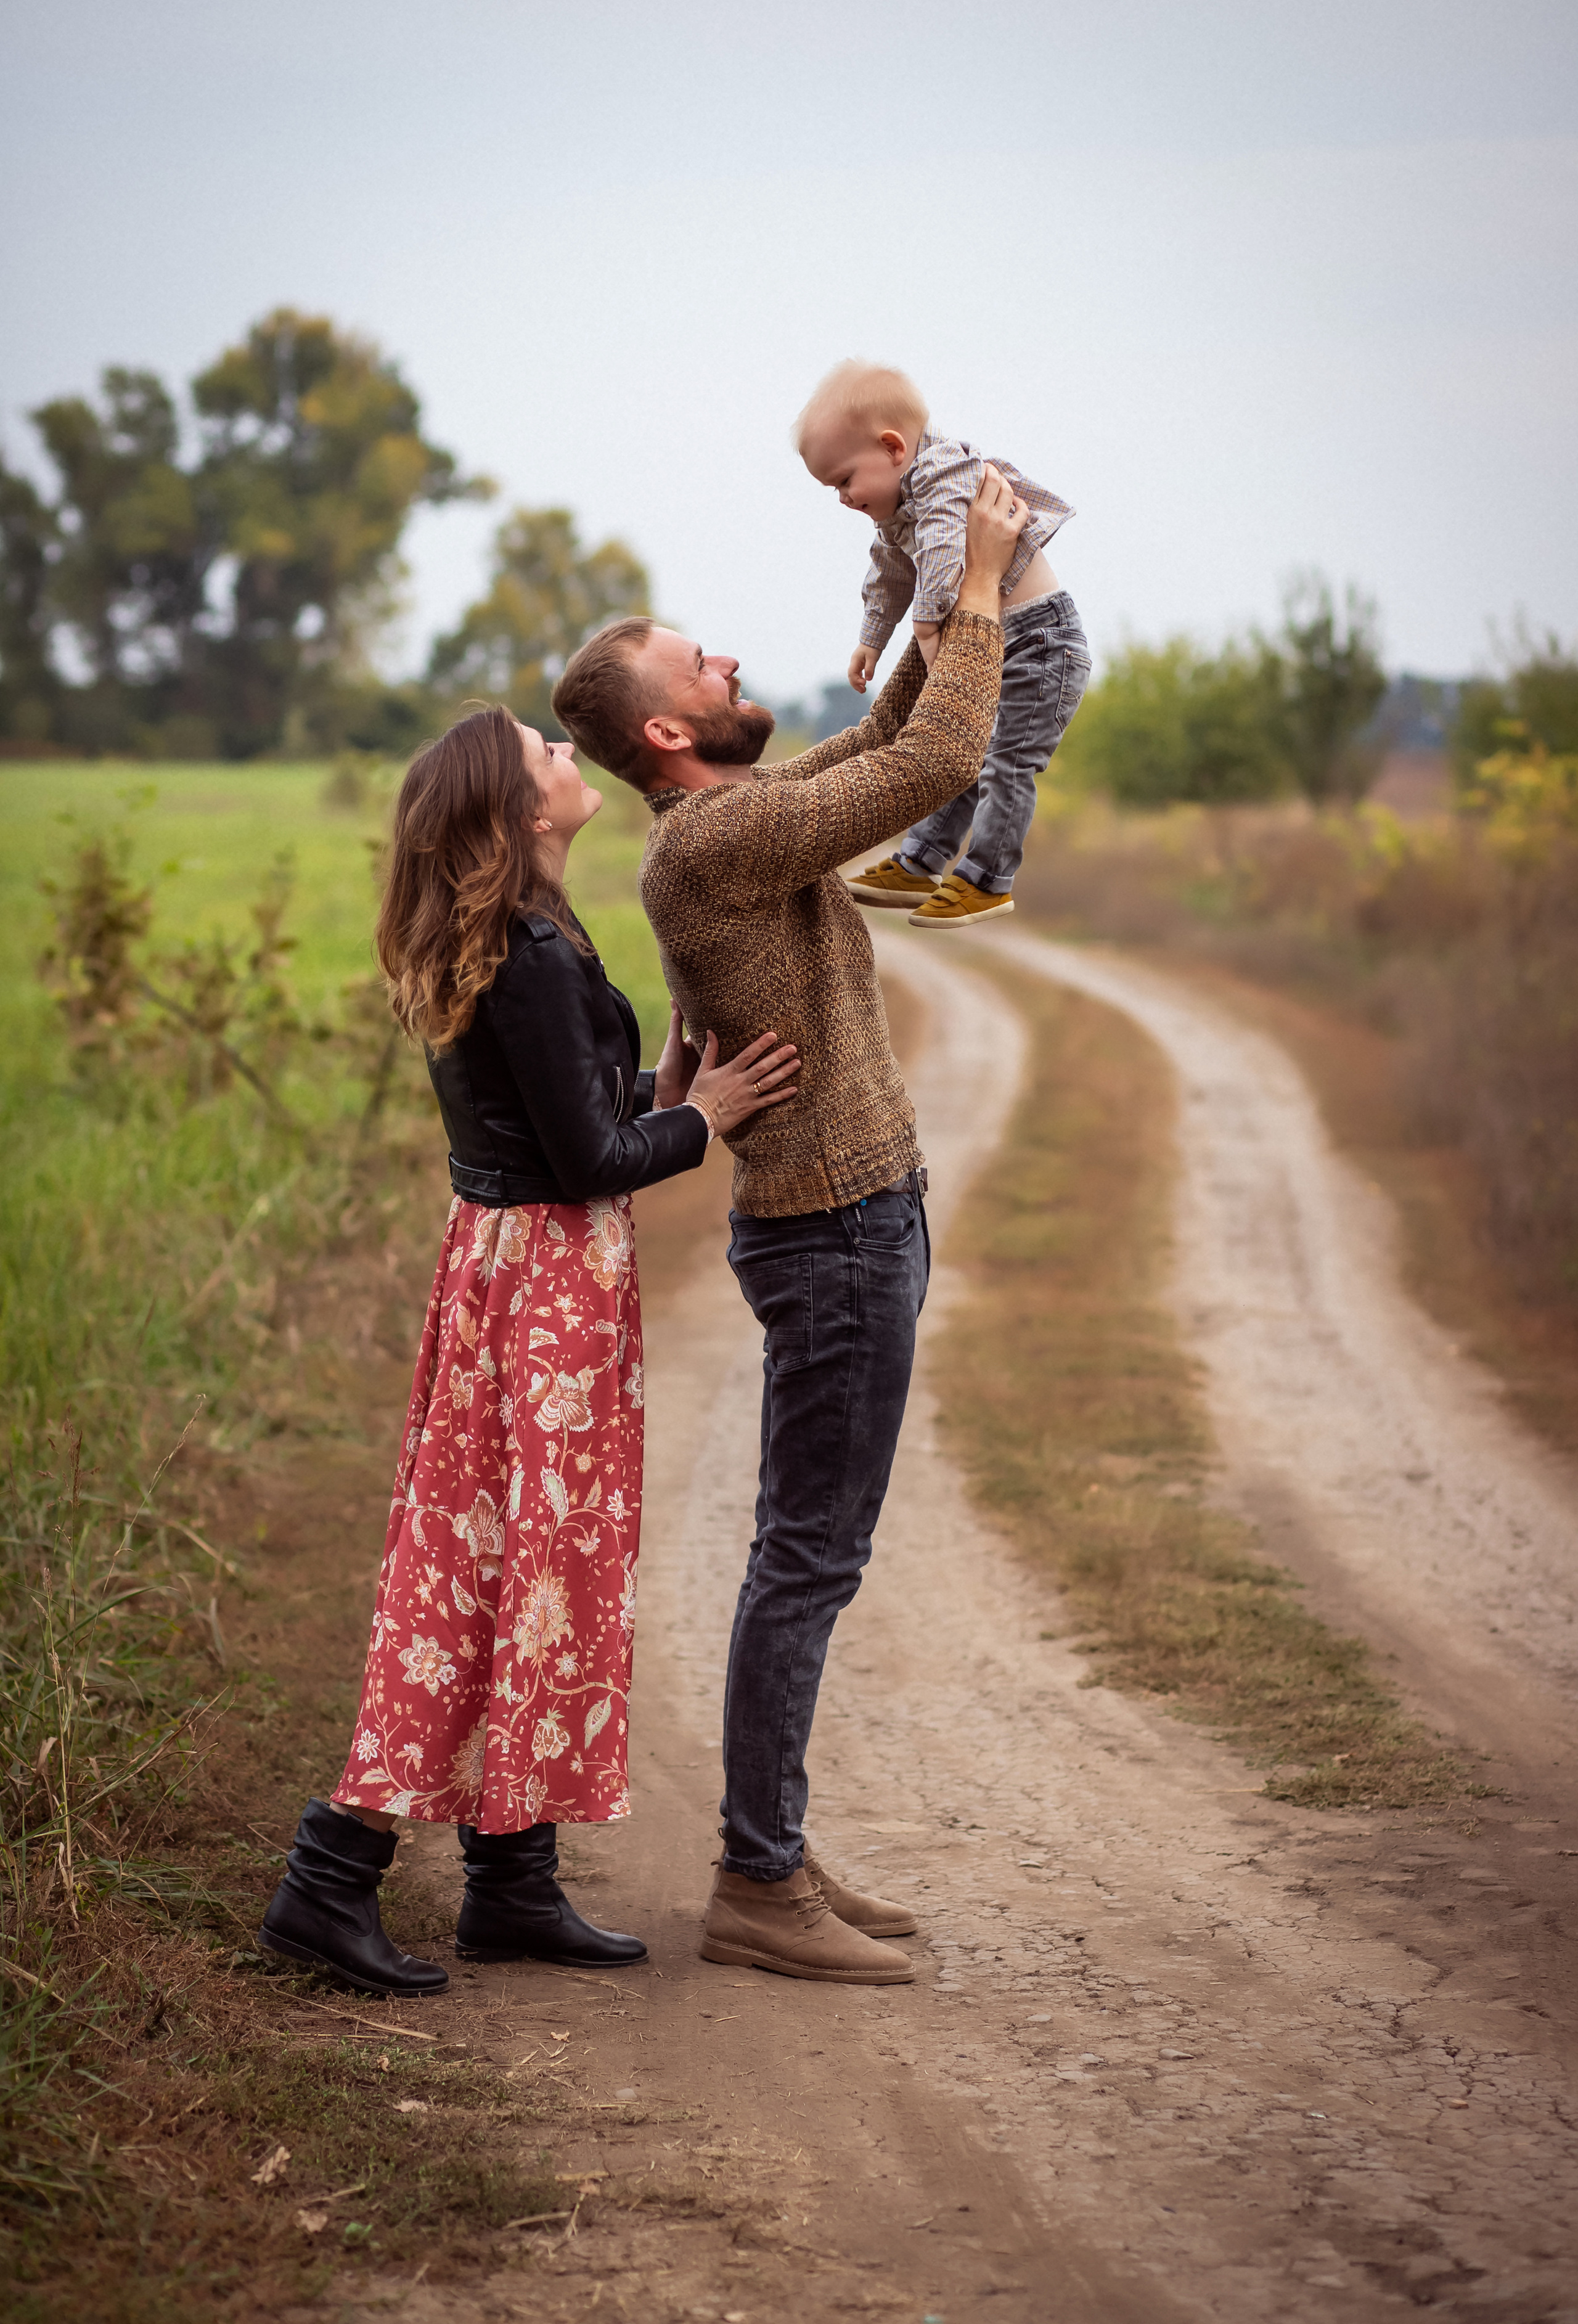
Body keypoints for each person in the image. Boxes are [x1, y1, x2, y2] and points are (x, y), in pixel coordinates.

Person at [549, 468, 1028, 1984]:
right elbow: (942, 755)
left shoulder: (736, 823)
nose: (729, 661)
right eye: (699, 664)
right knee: (808, 1558)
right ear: (666, 734)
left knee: (808, 1551)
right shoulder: (711, 847)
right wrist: (981, 585)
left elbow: (881, 741)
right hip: (832, 1236)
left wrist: (925, 596)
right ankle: (758, 1882)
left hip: (856, 1221)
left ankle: (777, 1844)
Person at [257, 705, 798, 1997]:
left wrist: (667, 1087)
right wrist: (708, 1119)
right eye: (542, 752)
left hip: (508, 1272)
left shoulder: (513, 932)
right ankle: (328, 1879)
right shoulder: (531, 949)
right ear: (515, 809)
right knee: (493, 1570)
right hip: (545, 1287)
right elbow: (589, 1161)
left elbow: (564, 1115)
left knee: (514, 1559)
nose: (567, 754)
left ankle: (511, 1882)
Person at [796, 358, 1090, 928]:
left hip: (1042, 642)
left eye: (844, 481)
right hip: (1003, 636)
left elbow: (942, 553)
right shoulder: (900, 501)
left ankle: (987, 879)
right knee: (963, 754)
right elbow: (889, 570)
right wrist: (872, 638)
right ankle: (922, 861)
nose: (842, 498)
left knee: (1006, 763)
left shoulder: (943, 475)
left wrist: (928, 625)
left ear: (893, 448)